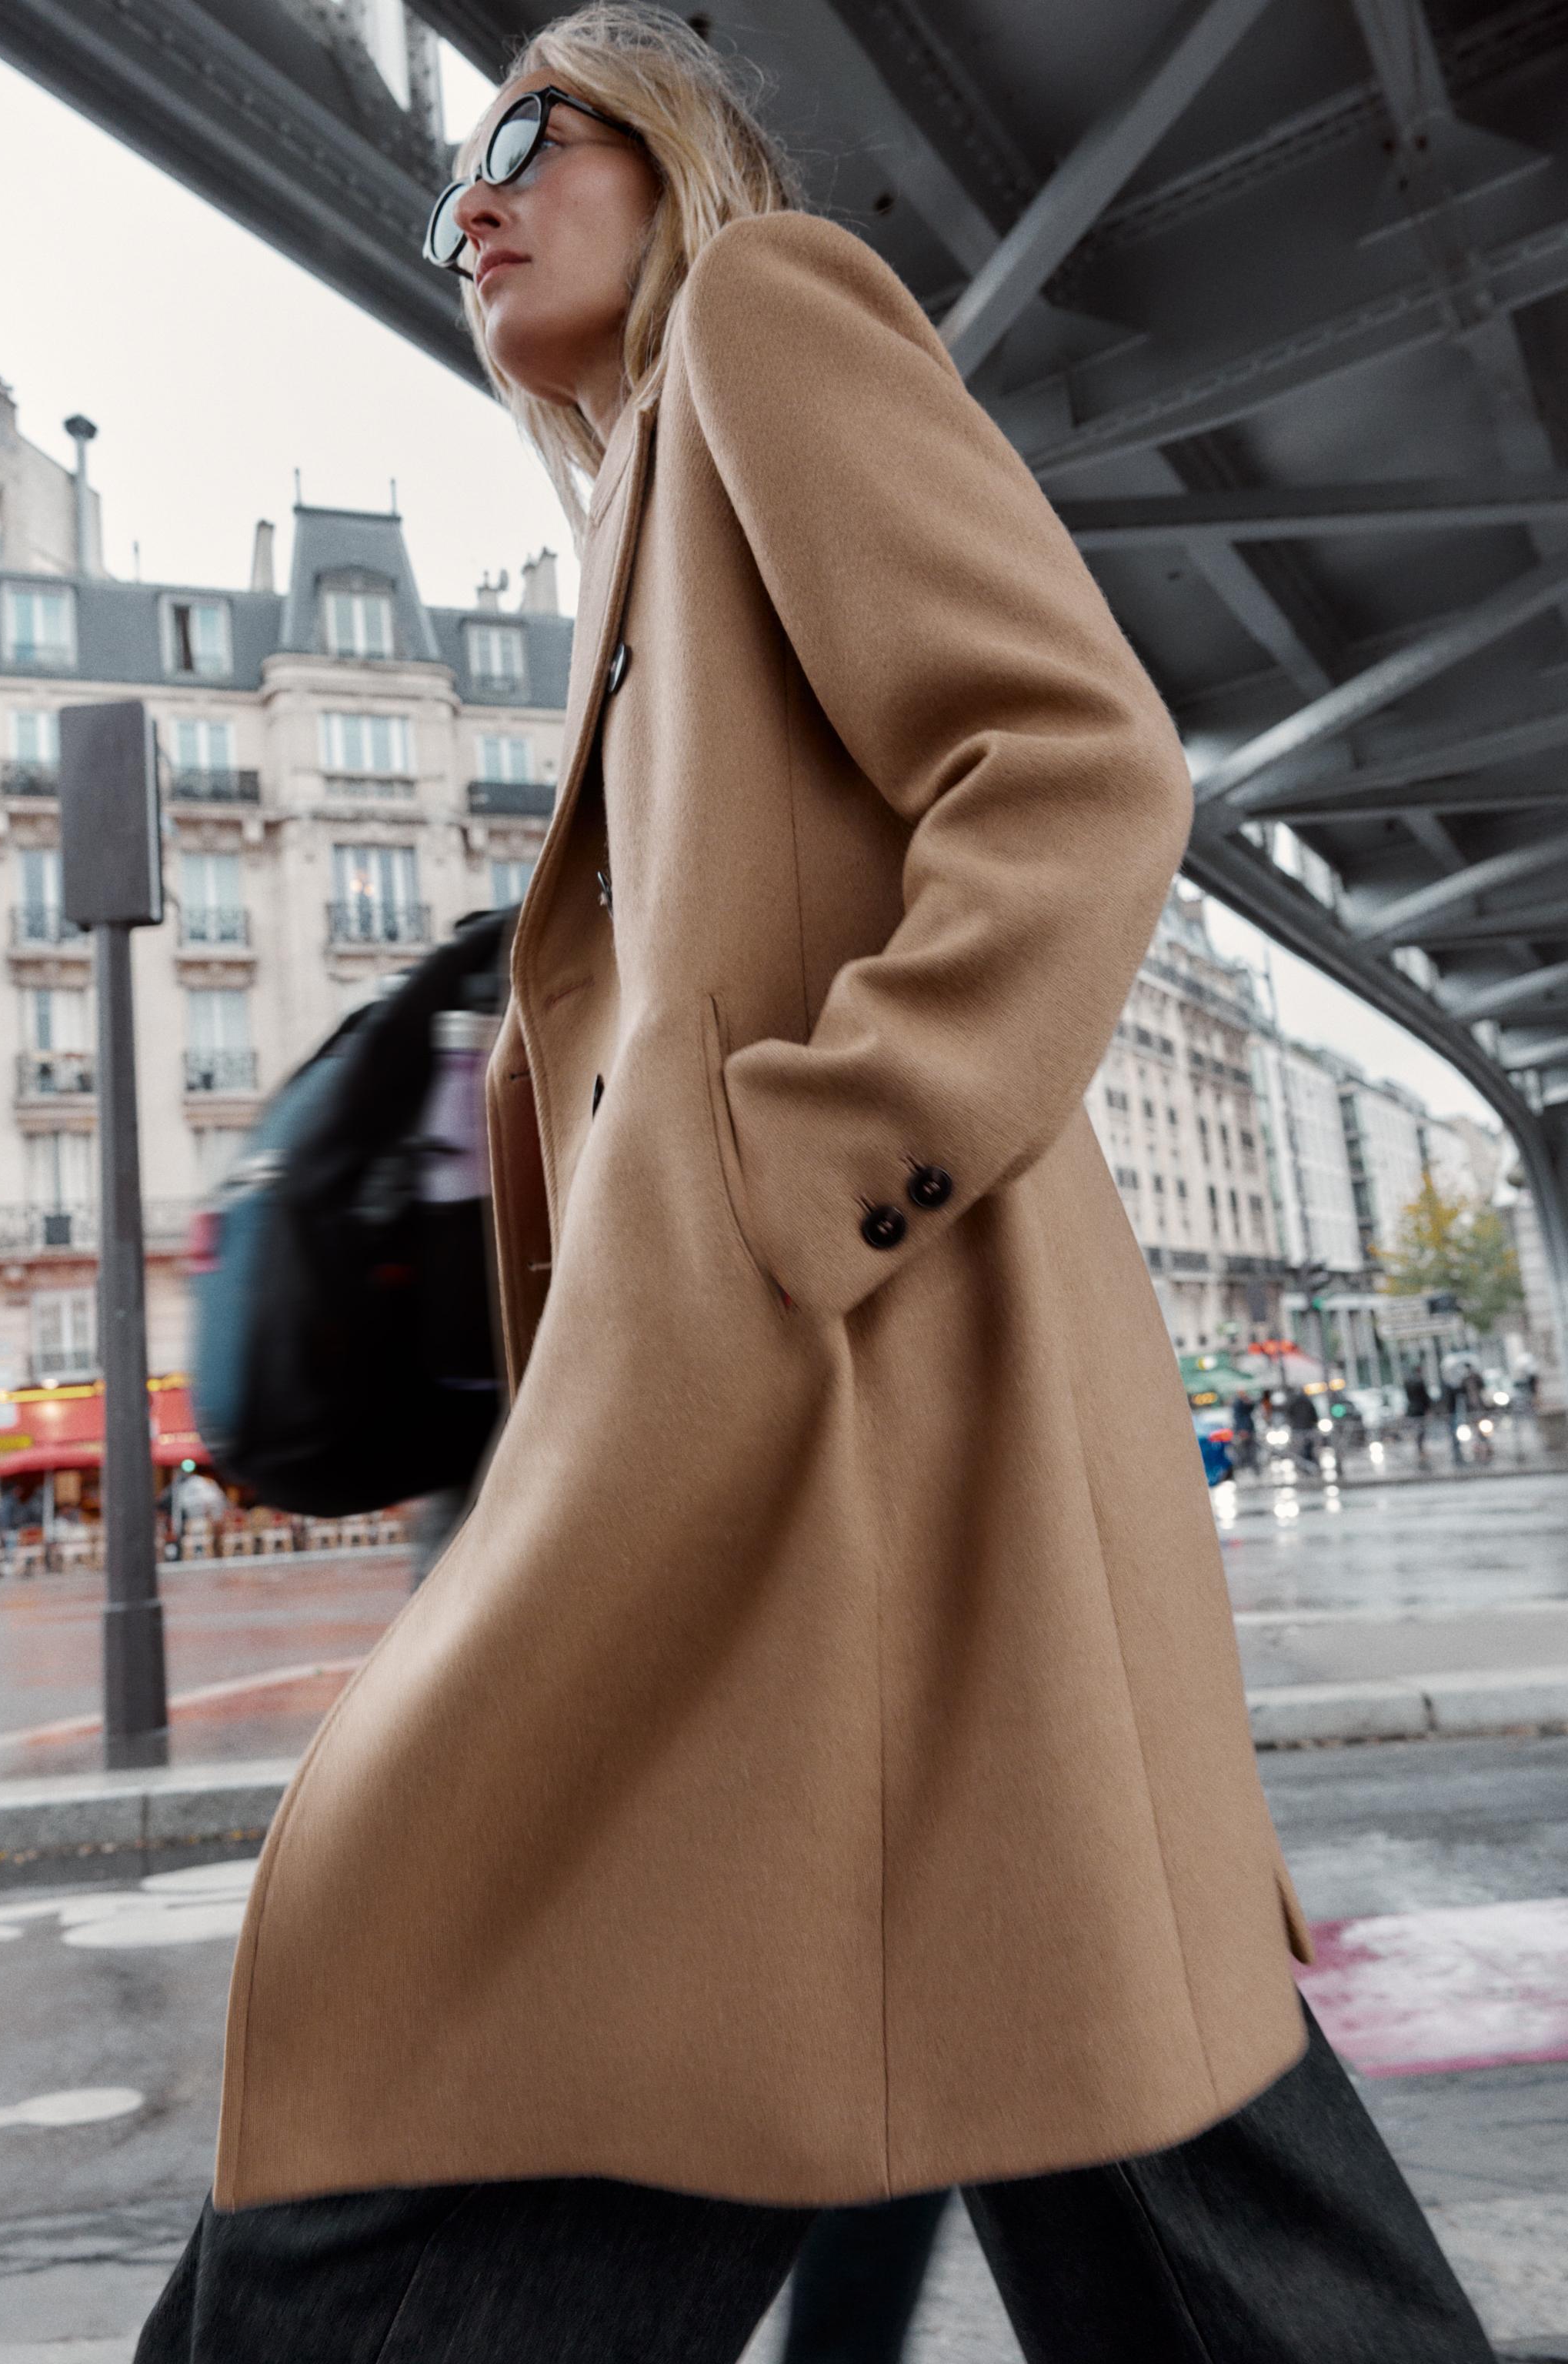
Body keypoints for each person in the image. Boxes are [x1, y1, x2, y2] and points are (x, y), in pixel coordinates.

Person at [137, 12, 1496, 2361]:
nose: (461, 199)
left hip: (825, 1453)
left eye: (516, 133)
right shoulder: (644, 508)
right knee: (1127, 2135)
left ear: (662, 152)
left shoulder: (760, 320)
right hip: (846, 1493)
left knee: (437, 2090)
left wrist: (802, 1185)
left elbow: (1067, 755)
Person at [1404, 1366, 1432, 1461]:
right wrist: (1428, 1408)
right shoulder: (1419, 1381)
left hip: (1412, 1410)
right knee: (1421, 1431)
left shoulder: (1408, 1382)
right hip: (1420, 1410)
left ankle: (1420, 1449)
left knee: (1417, 1431)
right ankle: (1421, 1450)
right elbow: (1425, 1397)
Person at [1229, 1387, 1258, 1475]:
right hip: (1244, 1430)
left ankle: (1252, 1467)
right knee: (1245, 1450)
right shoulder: (1238, 1403)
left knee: (1251, 1449)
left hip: (1249, 1429)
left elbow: (1251, 1408)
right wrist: (1242, 1429)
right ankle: (1246, 1467)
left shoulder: (1245, 1402)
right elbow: (1238, 1417)